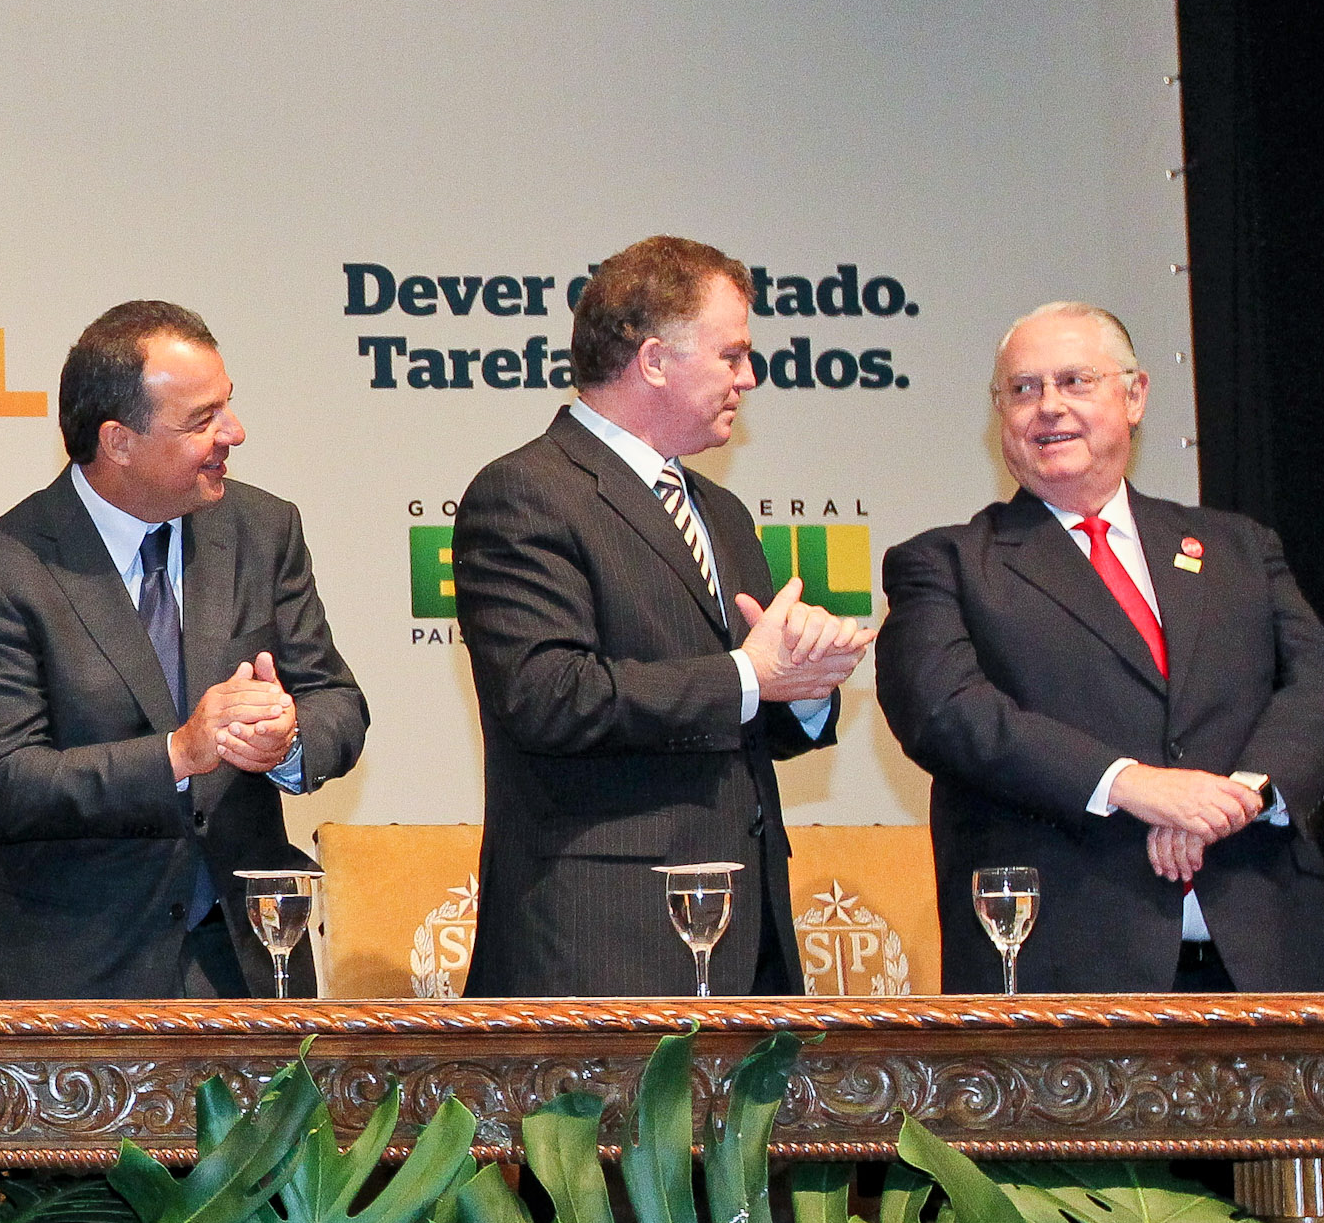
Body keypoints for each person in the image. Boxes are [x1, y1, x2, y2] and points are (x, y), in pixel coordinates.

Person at [451, 236, 870, 998]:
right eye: (732, 355)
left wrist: (802, 690)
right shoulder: (526, 492)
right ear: (653, 361)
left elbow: (740, 718)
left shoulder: (726, 513)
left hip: (749, 941)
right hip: (604, 939)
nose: (750, 376)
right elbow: (548, 696)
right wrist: (750, 674)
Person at [876, 302, 1324, 992]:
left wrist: (1241, 794)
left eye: (1075, 381)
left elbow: (1314, 681)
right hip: (1065, 969)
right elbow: (944, 711)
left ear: (1135, 394)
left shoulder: (1239, 547)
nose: (1048, 407)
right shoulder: (947, 563)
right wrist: (1134, 785)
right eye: (1023, 390)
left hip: (1271, 962)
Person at [0, 299, 365, 1000]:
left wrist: (288, 738)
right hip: (79, 978)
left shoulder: (262, 529)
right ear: (119, 441)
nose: (234, 432)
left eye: (227, 406)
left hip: (246, 967)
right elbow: (1, 786)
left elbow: (337, 703)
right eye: (202, 419)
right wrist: (178, 754)